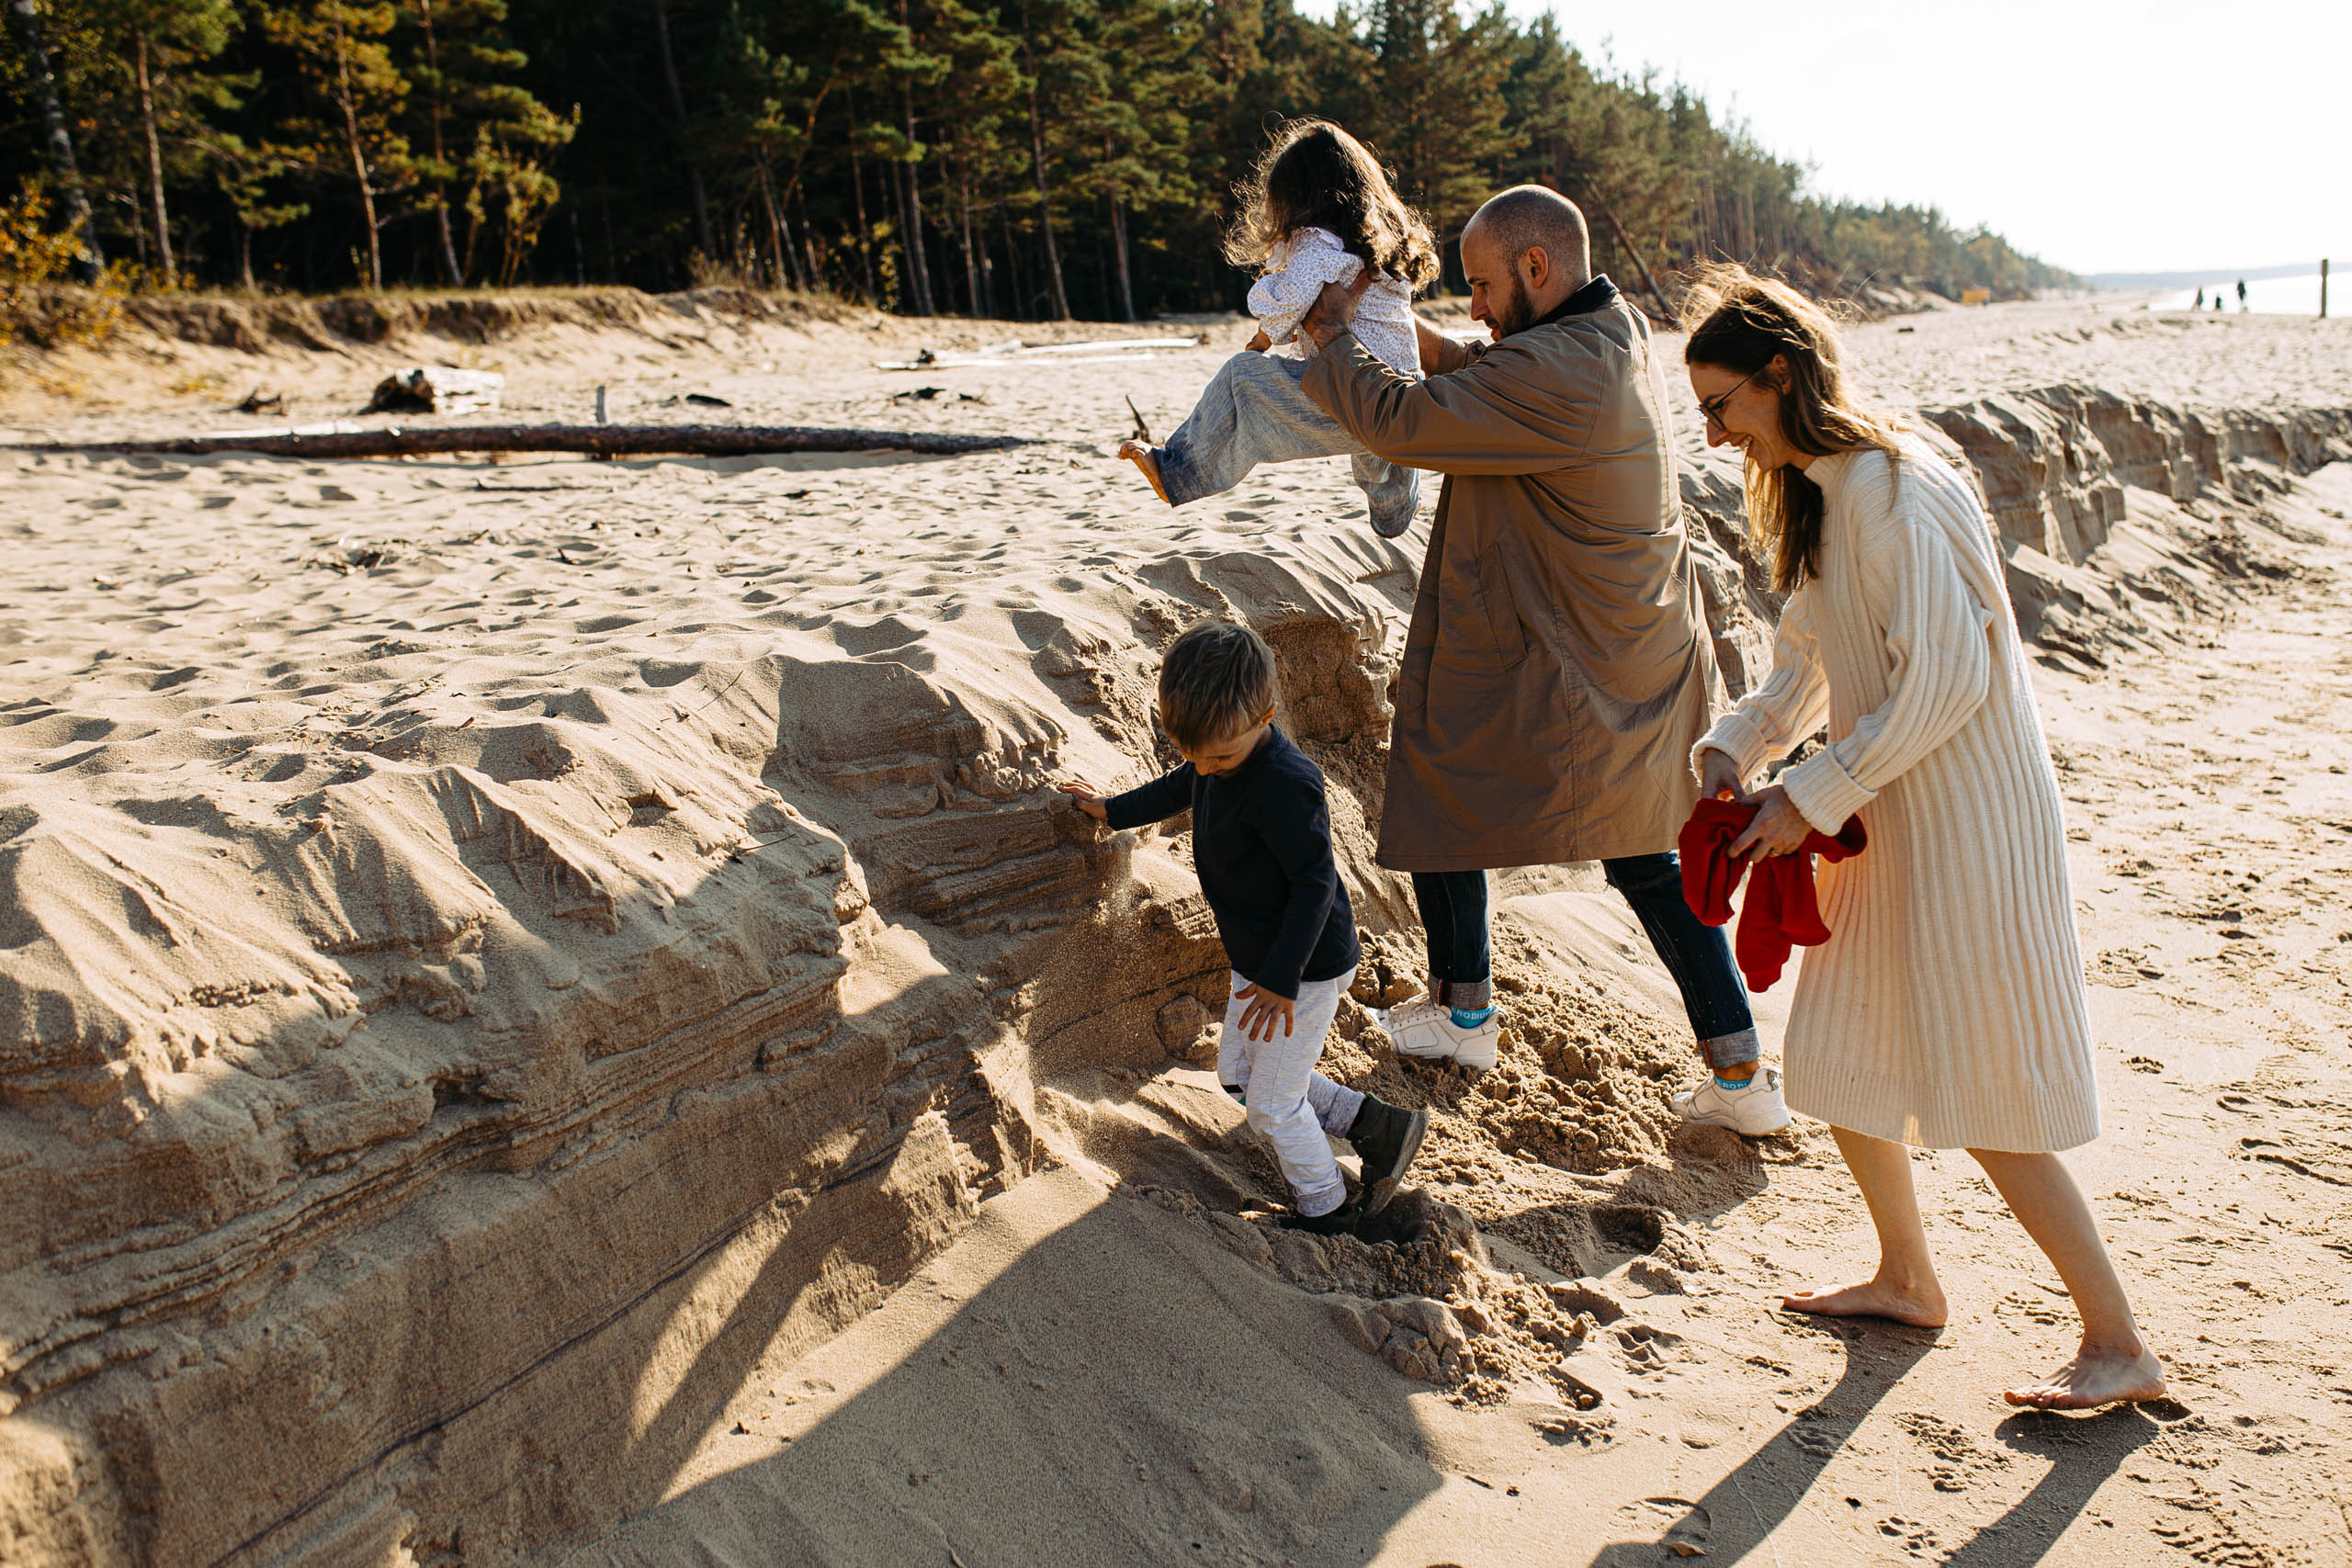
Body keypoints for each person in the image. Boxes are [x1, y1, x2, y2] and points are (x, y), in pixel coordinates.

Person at [1680, 264, 2167, 1410]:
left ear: (1780, 376)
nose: (1711, 435)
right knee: (1843, 1044)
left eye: (1722, 406)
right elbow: (1809, 666)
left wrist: (1807, 795)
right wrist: (1733, 749)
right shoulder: (1825, 496)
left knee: (1980, 1074)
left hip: (1963, 817)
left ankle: (2117, 1342)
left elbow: (1949, 680)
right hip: (1881, 805)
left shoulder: (1894, 489)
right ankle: (1906, 1276)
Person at [1290, 185, 1787, 1135]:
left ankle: (1475, 1016)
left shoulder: (1568, 369)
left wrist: (1330, 333)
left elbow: (1404, 425)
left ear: (1534, 267)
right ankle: (1732, 1074)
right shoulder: (1603, 331)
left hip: (1586, 656)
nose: (1471, 304)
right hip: (1621, 643)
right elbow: (1485, 369)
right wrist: (1406, 337)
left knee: (1467, 789)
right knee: (1596, 838)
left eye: (1479, 284)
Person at [1061, 620, 1429, 1233]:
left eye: (1221, 756)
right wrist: (1112, 810)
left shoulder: (1288, 785)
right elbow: (1181, 785)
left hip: (1303, 967)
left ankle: (1330, 1206)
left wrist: (1284, 978)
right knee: (1238, 1074)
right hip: (1260, 960)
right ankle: (1378, 1126)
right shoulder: (1212, 760)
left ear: (1266, 714)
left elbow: (1315, 885)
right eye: (1193, 754)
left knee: (1273, 1103)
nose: (1206, 768)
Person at [1119, 120, 1430, 538]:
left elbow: (1288, 301)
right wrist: (1273, 334)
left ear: (1298, 198)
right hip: (1403, 395)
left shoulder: (1318, 242)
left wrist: (1264, 328)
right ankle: (1396, 506)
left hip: (1356, 391)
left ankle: (1178, 472)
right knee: (1375, 455)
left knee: (1242, 377)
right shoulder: (1380, 246)